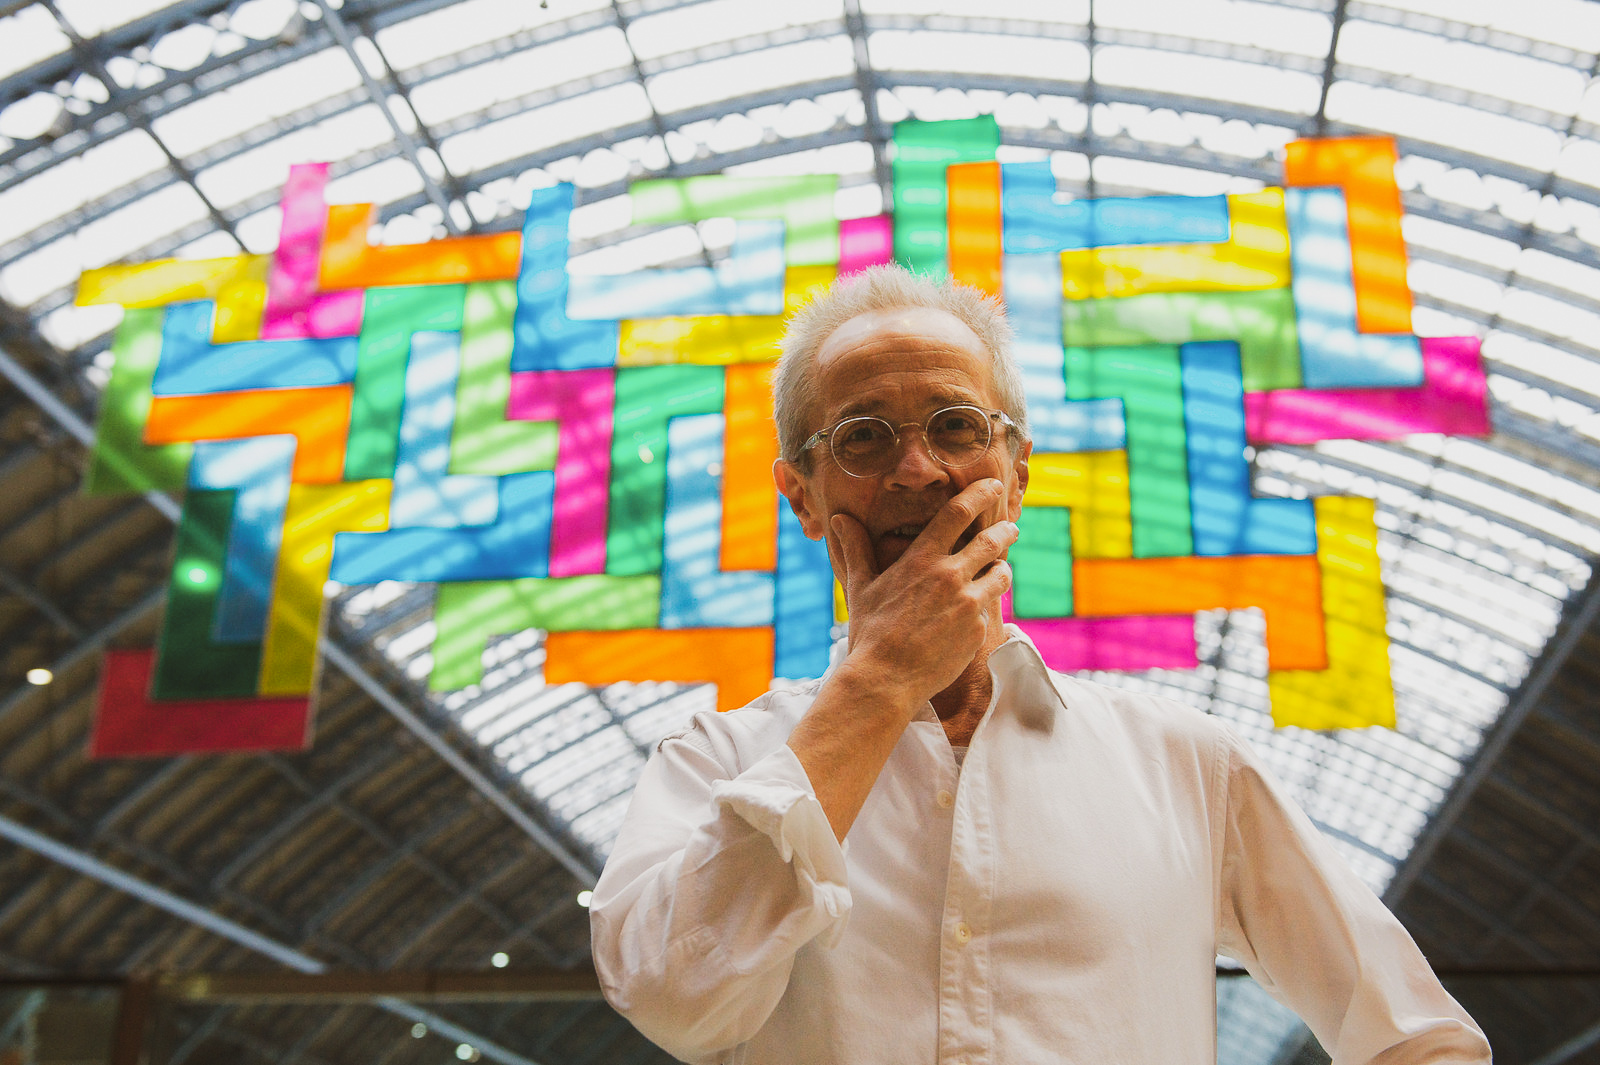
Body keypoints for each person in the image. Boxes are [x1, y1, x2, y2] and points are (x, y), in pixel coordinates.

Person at [589, 264, 1490, 1065]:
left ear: (1018, 468)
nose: (917, 470)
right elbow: (675, 998)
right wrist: (879, 681)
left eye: (955, 426)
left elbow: (1419, 1037)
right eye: (863, 436)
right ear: (802, 495)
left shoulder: (1185, 765)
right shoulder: (715, 763)